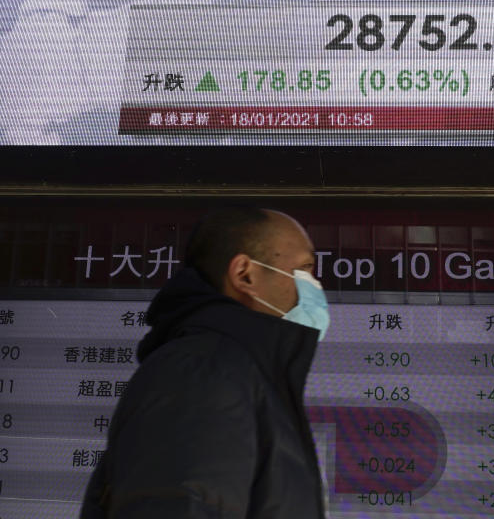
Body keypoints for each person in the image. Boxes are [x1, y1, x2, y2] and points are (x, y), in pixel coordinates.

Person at [80, 207, 329, 518]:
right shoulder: (203, 372)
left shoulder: (236, 373)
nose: (315, 287)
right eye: (305, 269)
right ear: (244, 275)